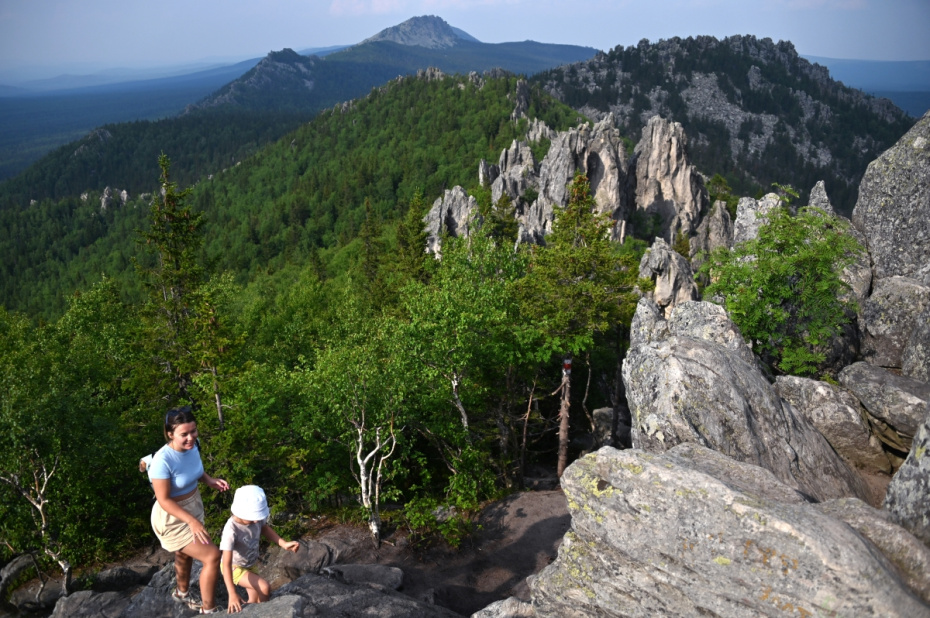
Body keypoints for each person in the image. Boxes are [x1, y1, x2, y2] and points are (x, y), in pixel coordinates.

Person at [148, 406, 229, 614]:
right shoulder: (162, 461)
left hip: (193, 506)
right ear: (170, 434)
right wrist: (191, 522)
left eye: (193, 431)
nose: (191, 438)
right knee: (212, 556)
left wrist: (209, 480)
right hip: (172, 517)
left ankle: (181, 593)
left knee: (185, 554)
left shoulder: (194, 446)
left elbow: (195, 471)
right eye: (184, 434)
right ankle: (209, 610)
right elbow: (164, 499)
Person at [220, 485, 299, 613]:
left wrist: (283, 543)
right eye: (253, 518)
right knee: (264, 587)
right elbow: (226, 563)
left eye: (258, 517)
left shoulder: (255, 520)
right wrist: (232, 593)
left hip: (250, 564)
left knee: (254, 599)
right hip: (234, 567)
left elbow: (265, 528)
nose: (257, 521)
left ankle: (253, 612)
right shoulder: (231, 530)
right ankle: (264, 613)